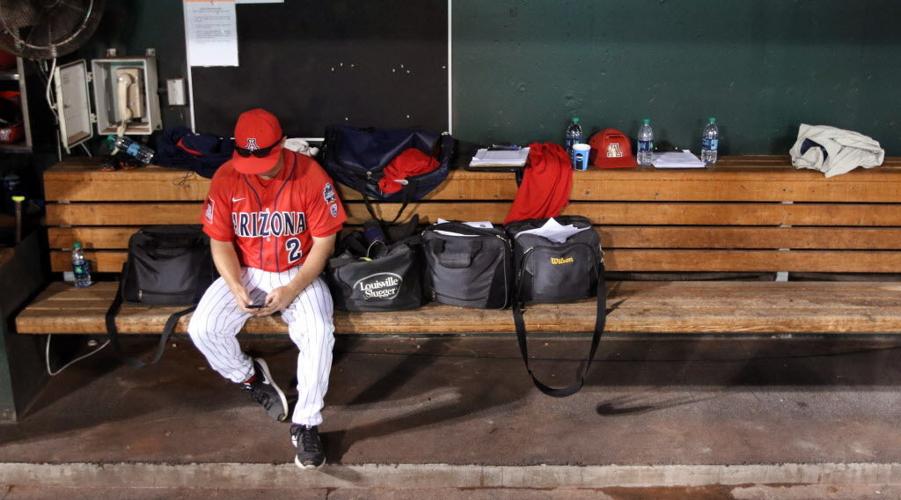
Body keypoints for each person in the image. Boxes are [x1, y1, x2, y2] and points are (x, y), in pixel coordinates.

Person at [188, 108, 346, 469]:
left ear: (282, 143)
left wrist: (292, 288)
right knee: (203, 328)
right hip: (248, 272)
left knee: (319, 333)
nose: (258, 169)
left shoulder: (310, 175)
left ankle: (306, 423)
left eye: (266, 159)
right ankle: (249, 375)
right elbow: (221, 242)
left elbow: (324, 244)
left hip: (298, 272)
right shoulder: (227, 176)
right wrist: (233, 285)